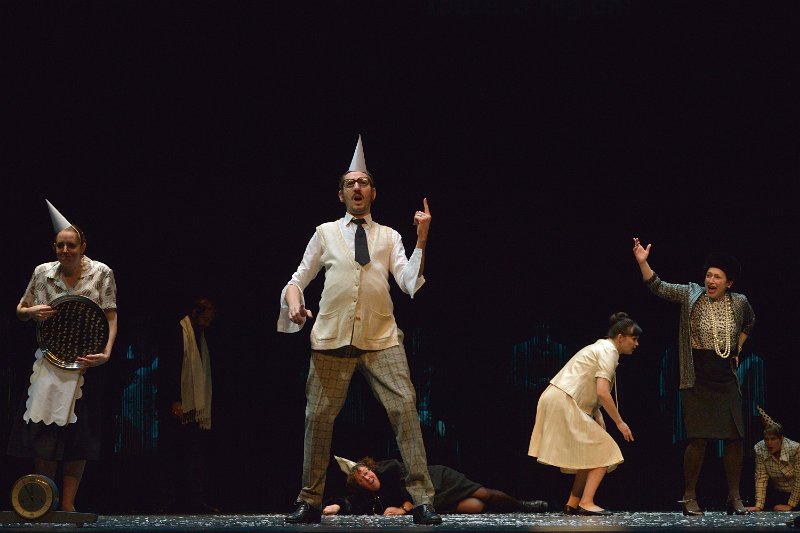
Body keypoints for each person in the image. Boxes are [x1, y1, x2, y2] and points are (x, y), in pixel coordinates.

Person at [277, 135, 440, 525]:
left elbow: (409, 282)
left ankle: (422, 500)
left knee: (405, 409)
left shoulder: (389, 236)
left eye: (363, 182)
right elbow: (297, 279)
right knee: (318, 418)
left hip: (381, 338)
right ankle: (309, 500)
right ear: (341, 194)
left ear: (373, 193)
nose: (357, 188)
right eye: (350, 183)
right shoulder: (325, 233)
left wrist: (421, 238)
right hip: (331, 339)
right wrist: (295, 303)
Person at [7, 200, 118, 513]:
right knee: (44, 432)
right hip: (50, 360)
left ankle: (68, 504)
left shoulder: (101, 273)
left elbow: (110, 315)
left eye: (71, 245)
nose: (65, 251)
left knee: (78, 438)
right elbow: (20, 309)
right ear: (54, 247)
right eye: (60, 246)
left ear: (83, 247)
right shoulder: (43, 273)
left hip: (85, 364)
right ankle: (46, 501)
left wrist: (107, 352)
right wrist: (32, 311)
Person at [632, 237, 755, 516]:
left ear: (729, 283)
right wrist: (643, 263)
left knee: (735, 438)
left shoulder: (740, 302)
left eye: (717, 277)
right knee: (698, 438)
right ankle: (689, 497)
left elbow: (750, 322)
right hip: (698, 376)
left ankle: (734, 498)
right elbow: (659, 286)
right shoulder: (691, 294)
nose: (711, 280)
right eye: (709, 275)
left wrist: (737, 348)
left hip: (725, 376)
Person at [528, 312, 640, 516]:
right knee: (606, 450)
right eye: (634, 338)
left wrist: (597, 415)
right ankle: (587, 502)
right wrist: (619, 422)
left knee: (588, 452)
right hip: (563, 400)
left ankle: (573, 501)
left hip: (558, 398)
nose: (636, 344)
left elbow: (587, 382)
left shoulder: (600, 348)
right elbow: (602, 392)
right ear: (620, 337)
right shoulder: (608, 352)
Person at [323, 456, 548, 516]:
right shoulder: (369, 495)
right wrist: (337, 506)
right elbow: (353, 502)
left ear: (372, 469)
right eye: (361, 479)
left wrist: (403, 509)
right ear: (360, 485)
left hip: (437, 481)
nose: (367, 477)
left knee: (483, 493)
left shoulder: (389, 470)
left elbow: (408, 490)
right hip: (432, 500)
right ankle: (506, 507)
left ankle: (523, 505)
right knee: (476, 506)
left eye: (367, 472)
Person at [156, 297, 218, 513]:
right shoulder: (178, 332)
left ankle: (194, 499)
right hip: (177, 403)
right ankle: (168, 499)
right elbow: (170, 366)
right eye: (205, 319)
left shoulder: (200, 336)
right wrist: (175, 398)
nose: (207, 324)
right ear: (194, 313)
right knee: (172, 452)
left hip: (194, 408)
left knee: (194, 453)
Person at [745, 406, 799, 513]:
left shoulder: (795, 449)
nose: (769, 443)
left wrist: (790, 505)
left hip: (797, 493)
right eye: (766, 439)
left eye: (773, 439)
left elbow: (799, 479)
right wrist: (758, 505)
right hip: (781, 494)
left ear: (781, 438)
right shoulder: (760, 449)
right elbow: (761, 477)